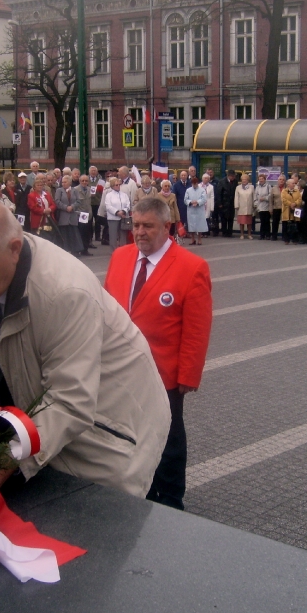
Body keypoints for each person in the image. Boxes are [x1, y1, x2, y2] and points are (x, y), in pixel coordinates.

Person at [0, 199, 171, 498]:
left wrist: (8, 459)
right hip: (41, 430)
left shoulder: (65, 292)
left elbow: (69, 401)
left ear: (14, 249)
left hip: (106, 439)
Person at [103, 196, 212, 509]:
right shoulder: (121, 257)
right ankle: (143, 490)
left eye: (148, 226)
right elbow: (106, 310)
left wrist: (188, 375)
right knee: (129, 434)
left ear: (167, 227)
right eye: (136, 225)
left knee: (169, 437)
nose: (139, 232)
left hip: (164, 374)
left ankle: (172, 497)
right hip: (122, 371)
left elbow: (197, 329)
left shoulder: (192, 267)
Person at [54, 174, 83, 256]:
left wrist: (72, 207)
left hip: (72, 215)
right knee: (64, 234)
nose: (63, 184)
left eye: (65, 182)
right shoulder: (59, 190)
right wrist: (66, 207)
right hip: (63, 216)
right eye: (62, 182)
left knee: (73, 233)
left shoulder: (75, 190)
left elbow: (78, 201)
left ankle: (75, 250)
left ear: (70, 183)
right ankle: (65, 250)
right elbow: (57, 201)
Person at [104, 177, 131, 251]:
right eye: (116, 185)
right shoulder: (109, 195)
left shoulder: (124, 195)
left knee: (123, 235)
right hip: (113, 218)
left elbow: (128, 204)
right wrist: (117, 212)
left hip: (123, 217)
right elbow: (108, 206)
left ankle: (123, 251)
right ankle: (114, 251)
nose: (118, 186)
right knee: (113, 236)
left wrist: (124, 211)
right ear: (112, 186)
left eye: (119, 185)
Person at [71, 175, 94, 255]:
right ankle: (77, 250)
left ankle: (85, 250)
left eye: (86, 181)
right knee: (79, 233)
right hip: (80, 214)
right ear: (80, 181)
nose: (84, 182)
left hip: (88, 214)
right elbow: (73, 202)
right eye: (82, 181)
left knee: (87, 233)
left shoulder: (89, 189)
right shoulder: (75, 189)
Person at [184, 177, 208, 246]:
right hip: (191, 209)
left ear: (197, 183)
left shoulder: (202, 190)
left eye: (196, 183)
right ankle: (192, 239)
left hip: (199, 209)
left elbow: (204, 199)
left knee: (199, 224)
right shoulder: (188, 190)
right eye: (193, 184)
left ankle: (199, 239)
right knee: (191, 225)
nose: (194, 185)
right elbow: (185, 199)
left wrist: (197, 202)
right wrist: (191, 202)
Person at [215, 169, 238, 237]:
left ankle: (230, 232)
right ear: (228, 176)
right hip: (224, 203)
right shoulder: (222, 182)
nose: (233, 178)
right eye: (232, 176)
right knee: (224, 218)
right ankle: (224, 232)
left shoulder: (235, 181)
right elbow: (218, 193)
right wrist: (219, 203)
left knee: (231, 218)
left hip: (232, 203)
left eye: (234, 176)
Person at [234, 173, 256, 239]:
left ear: (248, 180)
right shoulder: (238, 187)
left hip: (249, 206)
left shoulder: (252, 187)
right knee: (242, 222)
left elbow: (254, 196)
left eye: (245, 179)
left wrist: (254, 204)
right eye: (243, 179)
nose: (244, 181)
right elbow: (236, 197)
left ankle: (249, 234)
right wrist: (236, 205)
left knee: (249, 222)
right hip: (241, 207)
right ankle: (242, 234)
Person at [281, 178, 302, 245]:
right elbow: (283, 200)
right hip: (287, 210)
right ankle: (286, 239)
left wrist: (295, 204)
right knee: (286, 225)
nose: (294, 184)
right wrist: (290, 204)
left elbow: (300, 199)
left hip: (295, 210)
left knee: (295, 225)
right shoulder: (284, 191)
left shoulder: (297, 191)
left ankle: (295, 239)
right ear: (288, 184)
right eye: (292, 183)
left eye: (294, 183)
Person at [270, 174, 285, 240]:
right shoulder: (273, 188)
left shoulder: (286, 188)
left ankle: (284, 236)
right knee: (275, 222)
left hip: (284, 208)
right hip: (276, 207)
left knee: (284, 222)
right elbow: (271, 199)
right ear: (278, 180)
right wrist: (270, 208)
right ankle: (274, 235)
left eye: (283, 180)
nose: (281, 181)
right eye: (280, 179)